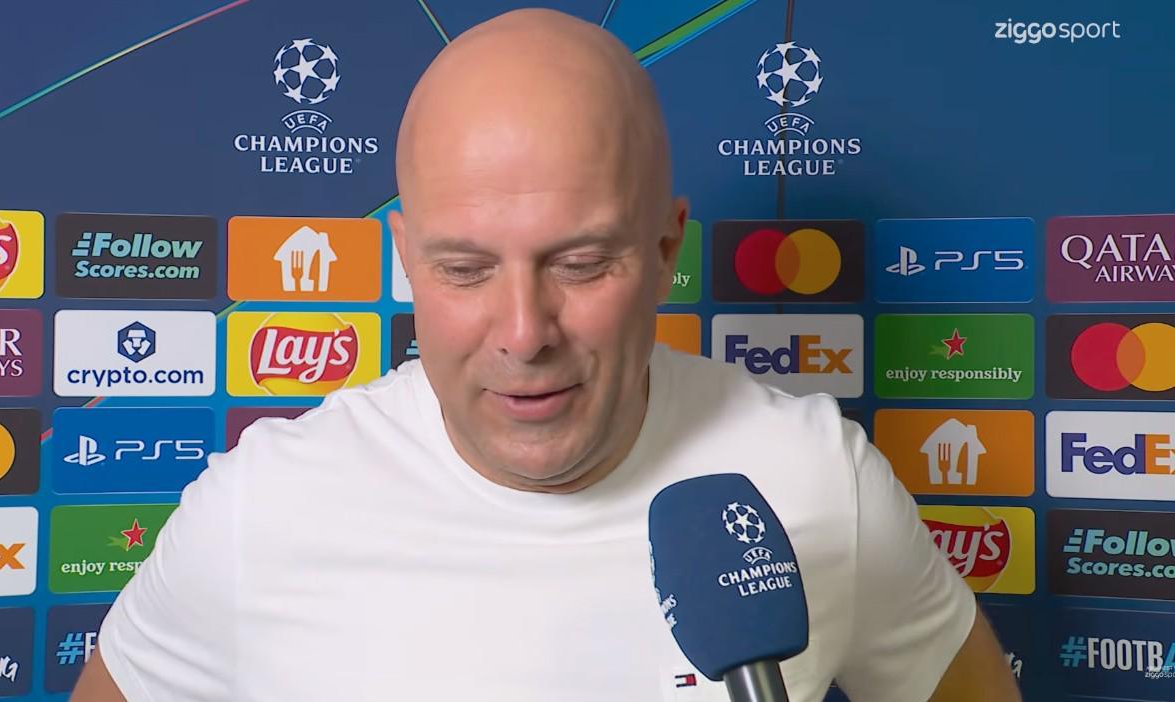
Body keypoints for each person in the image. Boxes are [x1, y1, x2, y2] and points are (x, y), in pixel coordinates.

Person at [72, 8, 1021, 701]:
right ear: (406, 260)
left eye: (580, 263)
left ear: (665, 249)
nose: (524, 332)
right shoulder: (261, 511)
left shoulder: (815, 478)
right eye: (464, 269)